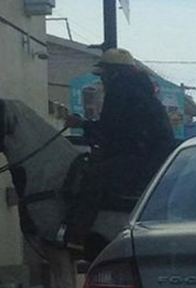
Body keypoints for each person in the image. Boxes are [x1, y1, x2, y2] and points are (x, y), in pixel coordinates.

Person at [57, 48, 176, 250]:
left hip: (141, 157)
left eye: (103, 75)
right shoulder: (141, 91)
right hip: (154, 154)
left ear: (113, 73)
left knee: (94, 175)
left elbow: (109, 128)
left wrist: (82, 124)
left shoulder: (120, 90)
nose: (102, 81)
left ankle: (76, 237)